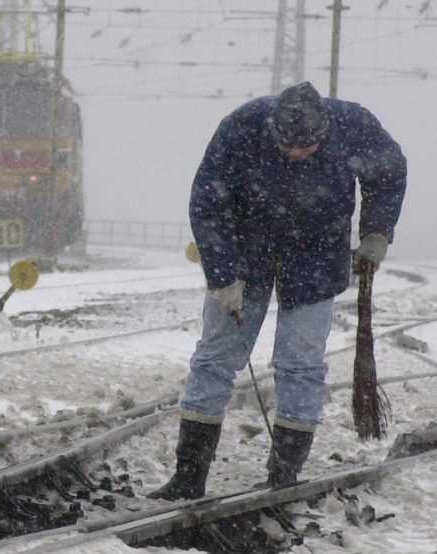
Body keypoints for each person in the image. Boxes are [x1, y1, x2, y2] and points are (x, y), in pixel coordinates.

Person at [150, 81, 407, 501]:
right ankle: (188, 476)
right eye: (288, 146)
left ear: (324, 132)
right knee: (214, 360)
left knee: (301, 365)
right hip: (247, 255)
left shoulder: (352, 124)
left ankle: (283, 475)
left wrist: (377, 231)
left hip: (316, 258)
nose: (296, 155)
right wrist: (222, 277)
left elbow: (390, 172)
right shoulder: (242, 127)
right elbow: (207, 202)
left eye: (306, 148)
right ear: (272, 130)